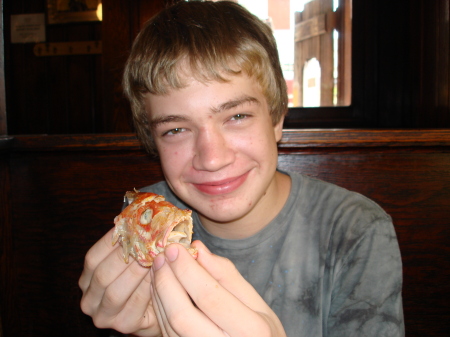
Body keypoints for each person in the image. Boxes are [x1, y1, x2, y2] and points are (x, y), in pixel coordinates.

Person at [78, 1, 404, 336]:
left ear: (276, 118)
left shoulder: (357, 230)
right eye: (175, 129)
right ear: (152, 140)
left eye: (237, 116)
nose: (212, 158)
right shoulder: (146, 222)